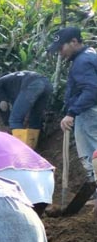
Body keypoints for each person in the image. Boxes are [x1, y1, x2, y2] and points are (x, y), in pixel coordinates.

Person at [48, 26, 97, 192]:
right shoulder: (90, 55)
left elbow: (91, 90)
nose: (60, 53)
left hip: (89, 112)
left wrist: (71, 113)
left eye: (61, 48)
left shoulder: (82, 61)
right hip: (91, 111)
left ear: (74, 42)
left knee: (92, 155)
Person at [0, 71, 52, 148]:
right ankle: (32, 147)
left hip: (32, 85)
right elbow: (18, 104)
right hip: (46, 83)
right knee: (35, 118)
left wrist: (7, 123)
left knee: (14, 120)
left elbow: (3, 105)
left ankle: (20, 151)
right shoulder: (12, 80)